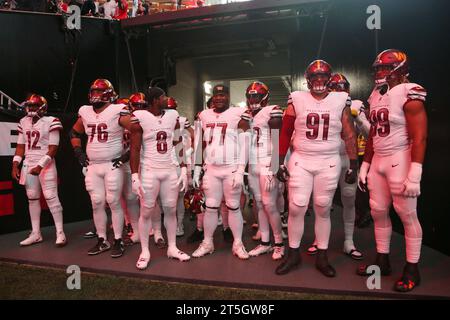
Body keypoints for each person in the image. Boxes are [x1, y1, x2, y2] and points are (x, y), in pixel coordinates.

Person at [275, 60, 358, 277]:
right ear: (308, 79)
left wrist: (353, 164)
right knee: (296, 206)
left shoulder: (341, 100)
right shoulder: (297, 98)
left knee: (322, 207)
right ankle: (293, 254)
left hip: (328, 161)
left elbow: (349, 133)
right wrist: (279, 161)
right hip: (301, 160)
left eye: (323, 76)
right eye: (314, 76)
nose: (319, 80)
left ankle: (322, 256)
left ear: (329, 79)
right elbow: (285, 132)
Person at [357, 49, 427, 292]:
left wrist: (415, 173)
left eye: (386, 68)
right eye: (378, 69)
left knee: (406, 214)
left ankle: (412, 269)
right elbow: (375, 131)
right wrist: (366, 163)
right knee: (377, 211)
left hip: (400, 157)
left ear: (401, 69)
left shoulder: (410, 91)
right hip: (379, 159)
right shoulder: (376, 94)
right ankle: (382, 259)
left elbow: (419, 137)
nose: (381, 73)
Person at [306, 73, 369, 260]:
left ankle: (349, 241)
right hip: (327, 159)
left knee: (349, 198)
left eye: (343, 87)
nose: (340, 91)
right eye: (335, 87)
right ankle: (319, 239)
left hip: (348, 159)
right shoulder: (320, 104)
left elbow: (369, 133)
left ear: (348, 89)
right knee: (321, 201)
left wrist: (357, 118)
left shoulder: (356, 104)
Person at [130, 87, 190, 270]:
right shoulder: (139, 116)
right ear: (155, 100)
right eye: (163, 96)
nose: (167, 99)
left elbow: (179, 141)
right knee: (146, 211)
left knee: (170, 209)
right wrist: (134, 176)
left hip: (169, 169)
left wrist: (184, 168)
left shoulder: (173, 115)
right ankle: (144, 251)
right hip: (150, 170)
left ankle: (172, 247)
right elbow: (134, 148)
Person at [70, 79, 131, 258]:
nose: (95, 95)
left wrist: (126, 155)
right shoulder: (85, 111)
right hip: (93, 165)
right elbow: (74, 132)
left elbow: (137, 132)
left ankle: (118, 240)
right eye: (93, 92)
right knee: (97, 202)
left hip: (112, 164)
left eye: (99, 92)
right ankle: (102, 239)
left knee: (113, 201)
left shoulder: (117, 110)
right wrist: (78, 152)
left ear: (109, 94)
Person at [191, 84, 251, 260]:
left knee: (233, 206)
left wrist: (241, 170)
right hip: (211, 168)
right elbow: (198, 143)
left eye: (223, 95)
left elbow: (245, 144)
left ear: (228, 96)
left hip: (231, 167)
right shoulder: (203, 115)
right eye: (216, 95)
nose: (219, 98)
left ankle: (238, 243)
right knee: (210, 206)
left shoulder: (239, 113)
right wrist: (196, 167)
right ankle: (207, 243)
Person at [12, 94, 66, 247]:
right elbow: (21, 146)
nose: (31, 109)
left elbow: (53, 148)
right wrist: (15, 164)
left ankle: (60, 232)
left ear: (42, 107)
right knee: (32, 197)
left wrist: (40, 166)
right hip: (29, 163)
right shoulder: (23, 121)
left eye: (35, 106)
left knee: (50, 196)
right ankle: (36, 233)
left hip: (45, 164)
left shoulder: (51, 121)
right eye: (30, 106)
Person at [243, 81, 285, 261]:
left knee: (269, 204)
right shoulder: (246, 115)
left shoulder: (272, 110)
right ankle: (265, 243)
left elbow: (278, 139)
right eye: (251, 96)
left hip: (268, 160)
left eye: (257, 96)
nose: (253, 99)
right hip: (253, 163)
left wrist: (275, 166)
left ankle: (279, 243)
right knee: (259, 203)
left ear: (265, 97)